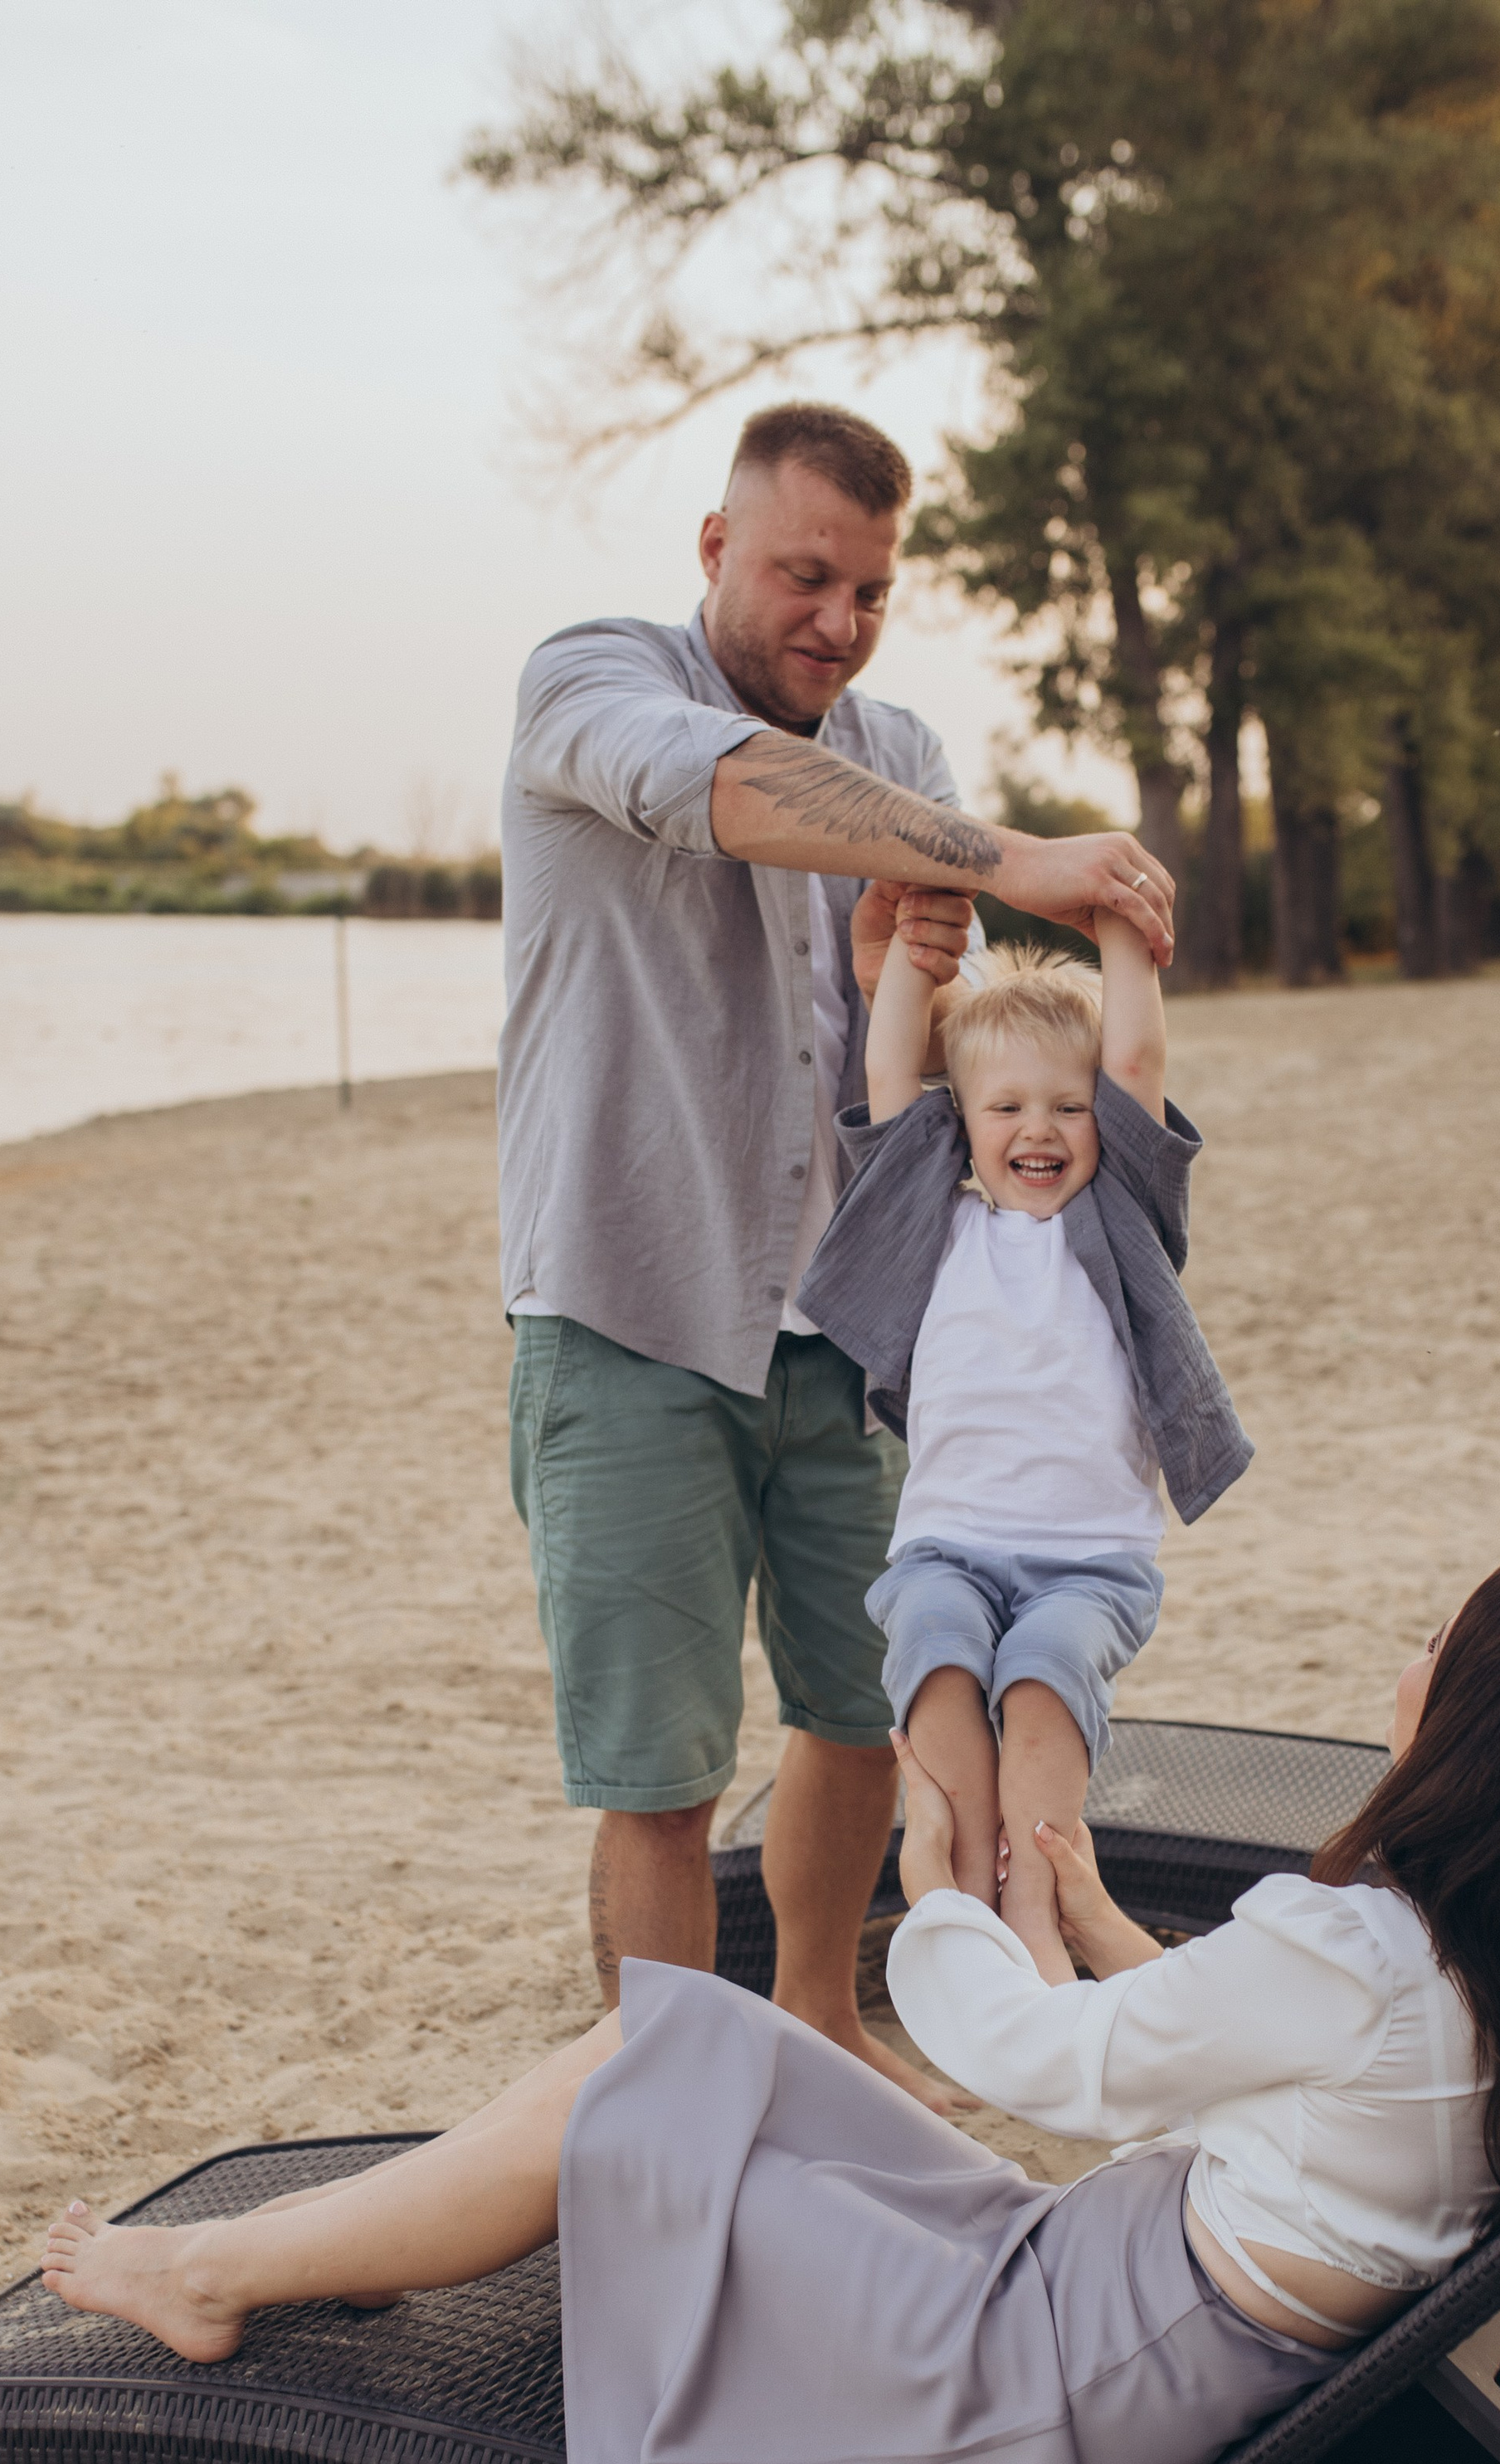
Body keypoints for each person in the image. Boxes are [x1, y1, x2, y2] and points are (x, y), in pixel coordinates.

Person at [41, 1556, 1500, 2464]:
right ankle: (308, 2245)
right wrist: (1096, 1927)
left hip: (1036, 2380)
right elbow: (1299, 2097)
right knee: (697, 2046)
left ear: (1485, 1736)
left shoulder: (1355, 1956)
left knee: (640, 2085)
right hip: (1108, 2321)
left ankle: (211, 2270)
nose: (1411, 1658)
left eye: (1437, 1643)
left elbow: (1039, 2066)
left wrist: (928, 1885)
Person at [497, 396, 1178, 2101]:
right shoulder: (589, 679)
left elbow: (938, 1074)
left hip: (859, 1330)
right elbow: (725, 790)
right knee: (659, 1772)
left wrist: (903, 975)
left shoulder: (903, 751)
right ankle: (666, 2092)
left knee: (868, 1710)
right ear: (717, 546)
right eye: (805, 575)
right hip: (627, 1307)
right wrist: (1017, 859)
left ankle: (817, 2019)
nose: (838, 619)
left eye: (870, 590)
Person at [792, 911, 1250, 1983]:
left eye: (1068, 1107)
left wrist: (1123, 933)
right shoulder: (931, 1224)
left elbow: (1136, 1060)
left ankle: (1037, 1913)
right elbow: (888, 1070)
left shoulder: (1126, 1219)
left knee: (1044, 1678)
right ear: (961, 1122)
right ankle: (962, 1897)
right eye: (1006, 1106)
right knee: (938, 1652)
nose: (1038, 1129)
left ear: (1104, 1122)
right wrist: (913, 958)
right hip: (948, 1546)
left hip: (1090, 1562)